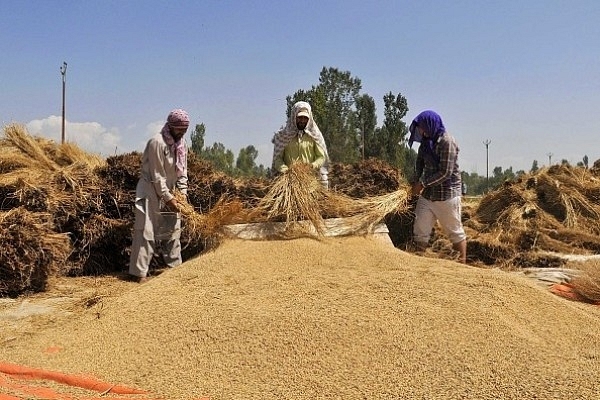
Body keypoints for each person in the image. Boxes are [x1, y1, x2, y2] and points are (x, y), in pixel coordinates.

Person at [129, 108, 190, 283]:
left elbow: (183, 173)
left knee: (172, 229)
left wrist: (182, 195)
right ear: (170, 126)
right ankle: (139, 274)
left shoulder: (181, 145)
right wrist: (168, 198)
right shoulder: (157, 143)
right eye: (179, 129)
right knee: (146, 230)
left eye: (185, 130)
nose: (182, 133)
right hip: (150, 190)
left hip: (171, 190)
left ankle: (175, 269)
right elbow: (157, 176)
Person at [408, 110, 467, 264]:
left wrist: (423, 184)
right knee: (420, 228)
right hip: (428, 195)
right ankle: (418, 261)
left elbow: (445, 172)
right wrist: (414, 180)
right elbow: (419, 163)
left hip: (447, 195)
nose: (420, 131)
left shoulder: (447, 142)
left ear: (430, 125)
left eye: (422, 127)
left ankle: (462, 264)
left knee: (454, 231)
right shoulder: (426, 143)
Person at [272, 101, 329, 188]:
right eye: (300, 117)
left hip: (310, 184)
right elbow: (277, 159)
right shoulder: (284, 136)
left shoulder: (314, 136)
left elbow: (321, 157)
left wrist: (312, 166)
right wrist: (286, 171)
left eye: (305, 118)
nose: (302, 121)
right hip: (289, 184)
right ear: (294, 117)